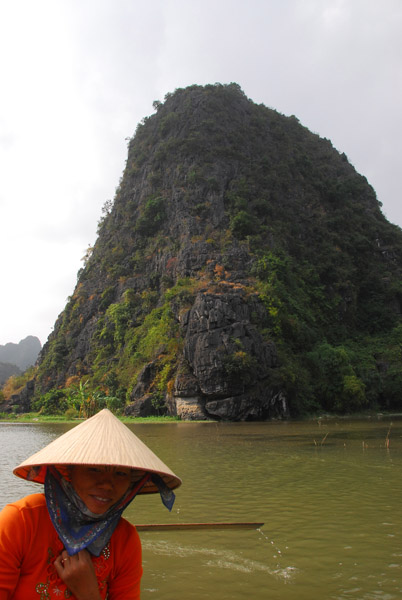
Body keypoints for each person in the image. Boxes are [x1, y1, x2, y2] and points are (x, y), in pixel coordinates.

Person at [0, 408, 181, 599]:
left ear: (131, 484)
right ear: (70, 472)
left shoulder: (125, 540)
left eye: (120, 473)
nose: (106, 484)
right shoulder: (22, 521)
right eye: (94, 469)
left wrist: (88, 593)